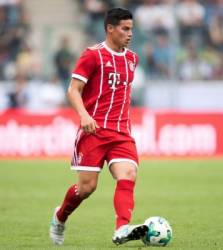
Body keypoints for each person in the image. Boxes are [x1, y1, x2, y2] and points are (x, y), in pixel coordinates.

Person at [49, 8, 148, 246]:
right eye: (125, 28)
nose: (130, 33)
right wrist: (83, 115)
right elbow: (73, 90)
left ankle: (122, 228)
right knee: (86, 188)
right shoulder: (92, 55)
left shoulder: (133, 59)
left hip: (121, 132)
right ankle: (60, 216)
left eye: (131, 29)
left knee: (128, 174)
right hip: (93, 131)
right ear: (110, 29)